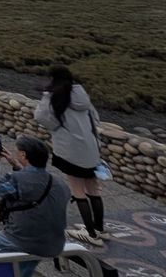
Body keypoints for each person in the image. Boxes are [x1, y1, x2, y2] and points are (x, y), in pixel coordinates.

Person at [33, 65, 107, 247]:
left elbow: (41, 117)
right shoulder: (81, 95)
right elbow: (95, 118)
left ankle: (91, 235)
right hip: (91, 148)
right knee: (93, 190)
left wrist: (57, 126)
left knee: (78, 191)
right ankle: (99, 228)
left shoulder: (53, 96)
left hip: (70, 149)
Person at [0, 135, 70, 277]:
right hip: (53, 244)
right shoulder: (60, 183)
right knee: (24, 266)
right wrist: (17, 165)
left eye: (17, 151)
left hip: (24, 240)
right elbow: (33, 189)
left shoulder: (17, 179)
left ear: (23, 154)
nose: (15, 153)